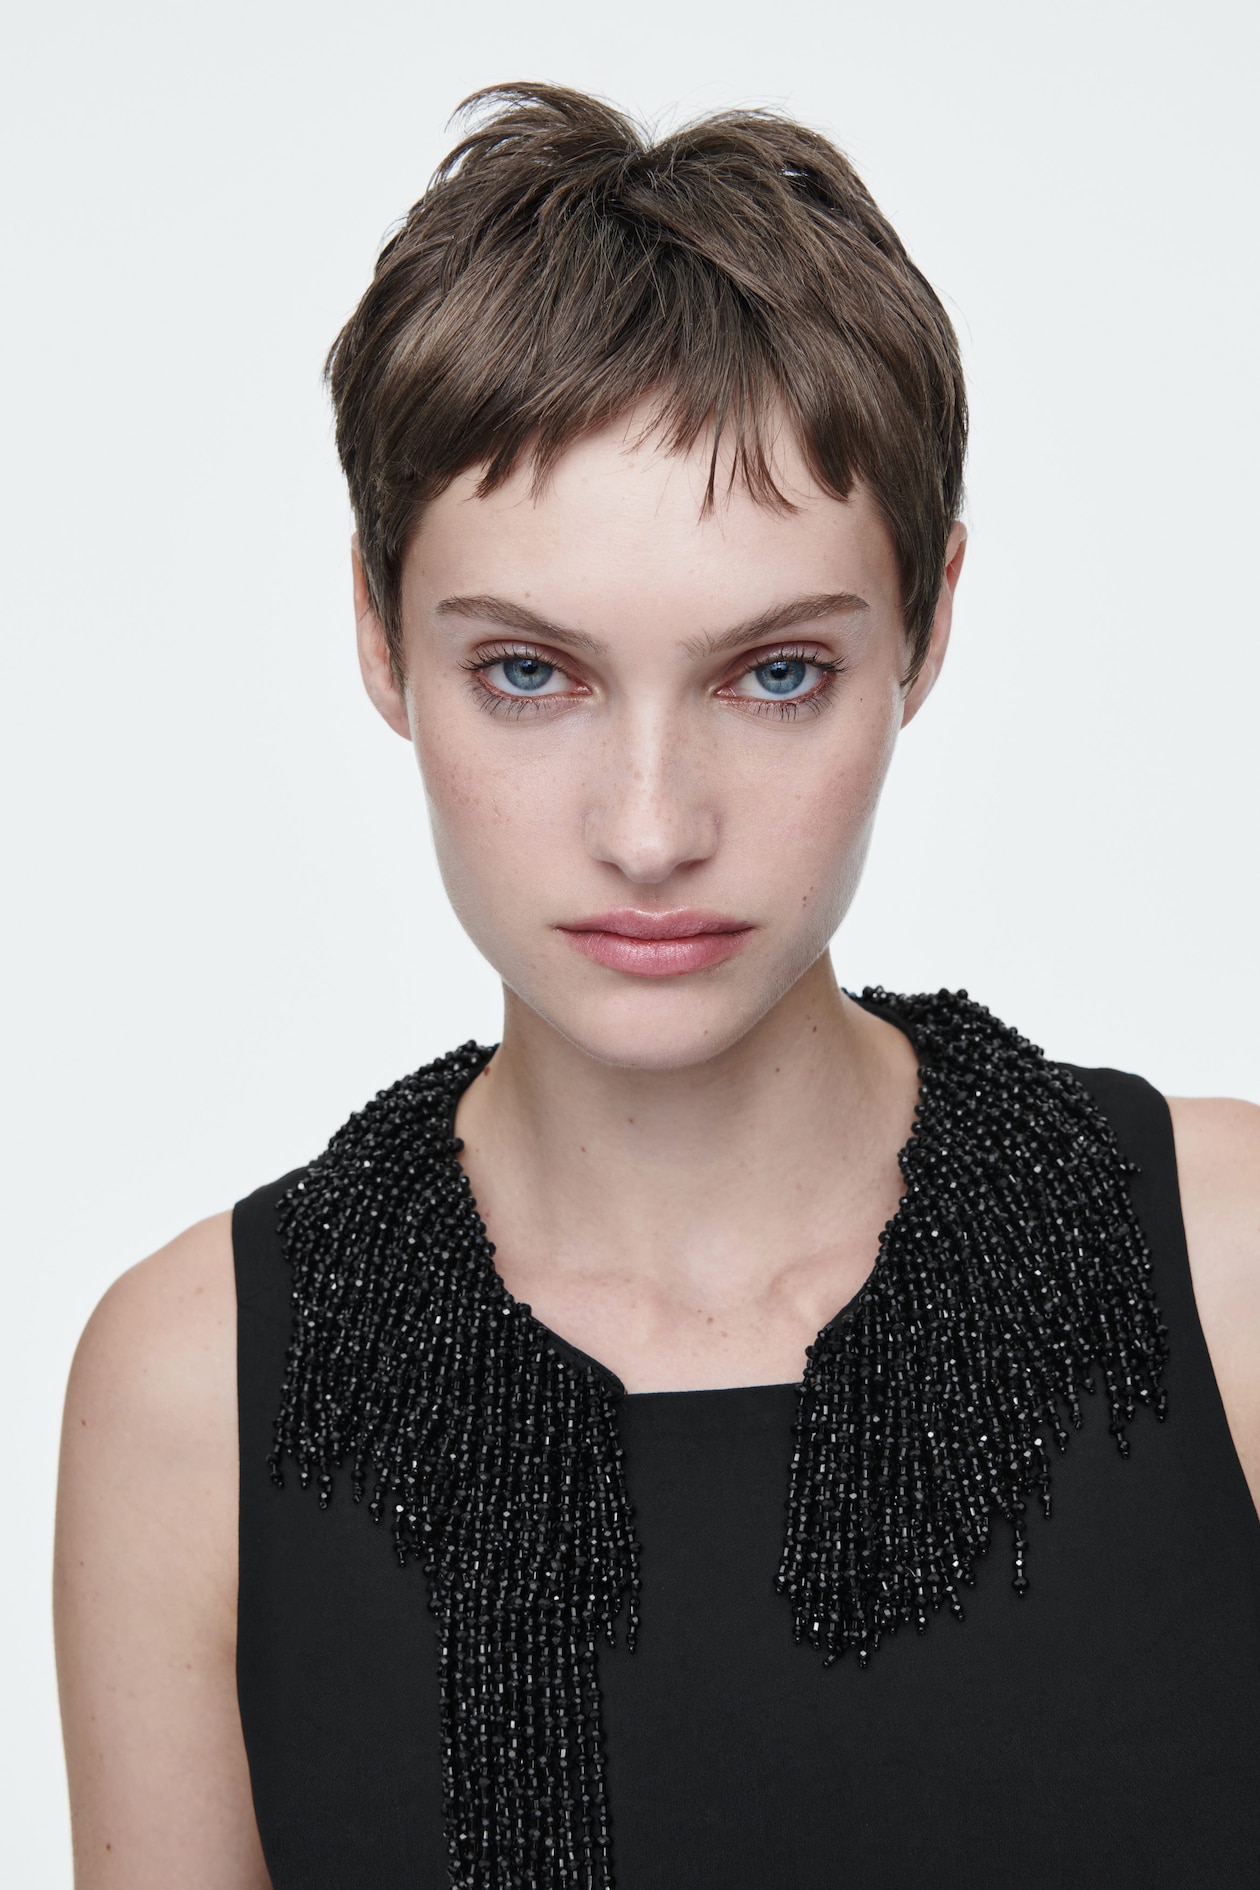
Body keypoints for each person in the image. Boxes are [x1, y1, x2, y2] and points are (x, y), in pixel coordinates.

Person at [54, 82, 1260, 1890]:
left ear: (927, 626)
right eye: (529, 674)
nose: (649, 828)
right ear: (380, 633)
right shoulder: (192, 1393)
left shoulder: (1232, 1272)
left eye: (773, 675)